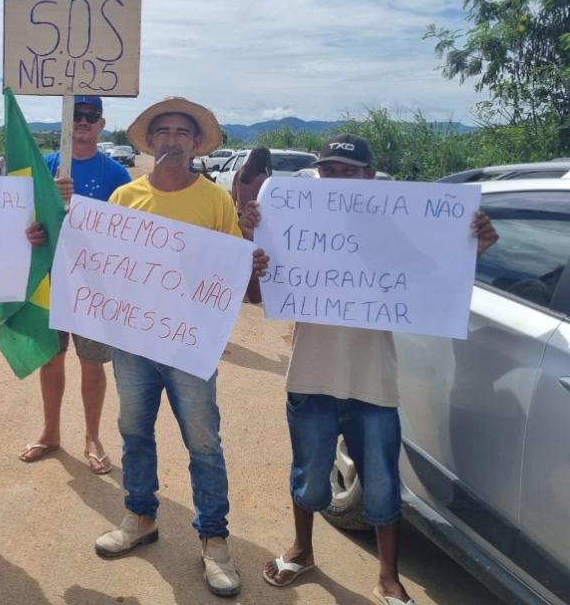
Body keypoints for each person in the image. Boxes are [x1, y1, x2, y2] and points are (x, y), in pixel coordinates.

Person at [257, 134, 497, 605]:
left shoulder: (399, 230)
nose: (338, 180)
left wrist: (474, 248)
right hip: (311, 374)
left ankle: (388, 577)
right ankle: (302, 551)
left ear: (370, 176)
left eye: (349, 171)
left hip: (374, 381)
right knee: (308, 474)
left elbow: (436, 280)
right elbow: (262, 286)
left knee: (383, 482)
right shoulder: (297, 222)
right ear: (318, 177)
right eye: (329, 171)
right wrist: (257, 244)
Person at [93, 97, 268, 598]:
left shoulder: (213, 201)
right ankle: (140, 517)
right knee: (134, 431)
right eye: (163, 132)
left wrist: (247, 264)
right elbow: (103, 265)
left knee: (203, 442)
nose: (171, 140)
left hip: (190, 344)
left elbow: (231, 274)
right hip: (133, 341)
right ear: (150, 143)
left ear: (195, 145)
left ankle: (214, 540)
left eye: (181, 133)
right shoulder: (125, 198)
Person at [18, 95, 132, 475]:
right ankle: (51, 432)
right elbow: (26, 224)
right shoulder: (46, 167)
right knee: (50, 359)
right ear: (65, 124)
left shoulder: (117, 175)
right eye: (75, 116)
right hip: (50, 279)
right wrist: (38, 221)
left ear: (101, 124)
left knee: (92, 363)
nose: (82, 122)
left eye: (90, 116)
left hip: (94, 285)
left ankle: (92, 436)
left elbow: (126, 235)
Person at [231, 146, 272, 304]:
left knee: (240, 258)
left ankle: (238, 289)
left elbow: (233, 197)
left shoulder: (239, 173)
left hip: (240, 219)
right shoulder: (264, 178)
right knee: (253, 261)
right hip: (256, 221)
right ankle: (250, 292)